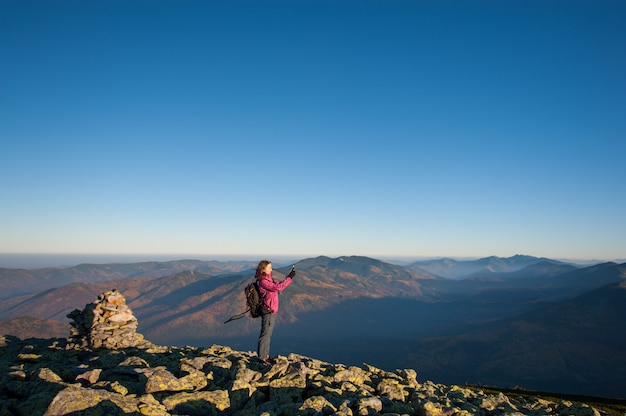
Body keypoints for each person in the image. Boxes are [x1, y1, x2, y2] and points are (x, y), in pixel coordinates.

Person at [255, 259, 295, 365]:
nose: (271, 269)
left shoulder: (268, 279)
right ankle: (262, 357)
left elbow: (277, 285)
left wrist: (287, 278)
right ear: (264, 269)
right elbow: (278, 287)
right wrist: (289, 277)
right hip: (268, 310)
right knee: (265, 334)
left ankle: (265, 356)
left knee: (267, 334)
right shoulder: (263, 281)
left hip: (271, 310)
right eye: (269, 267)